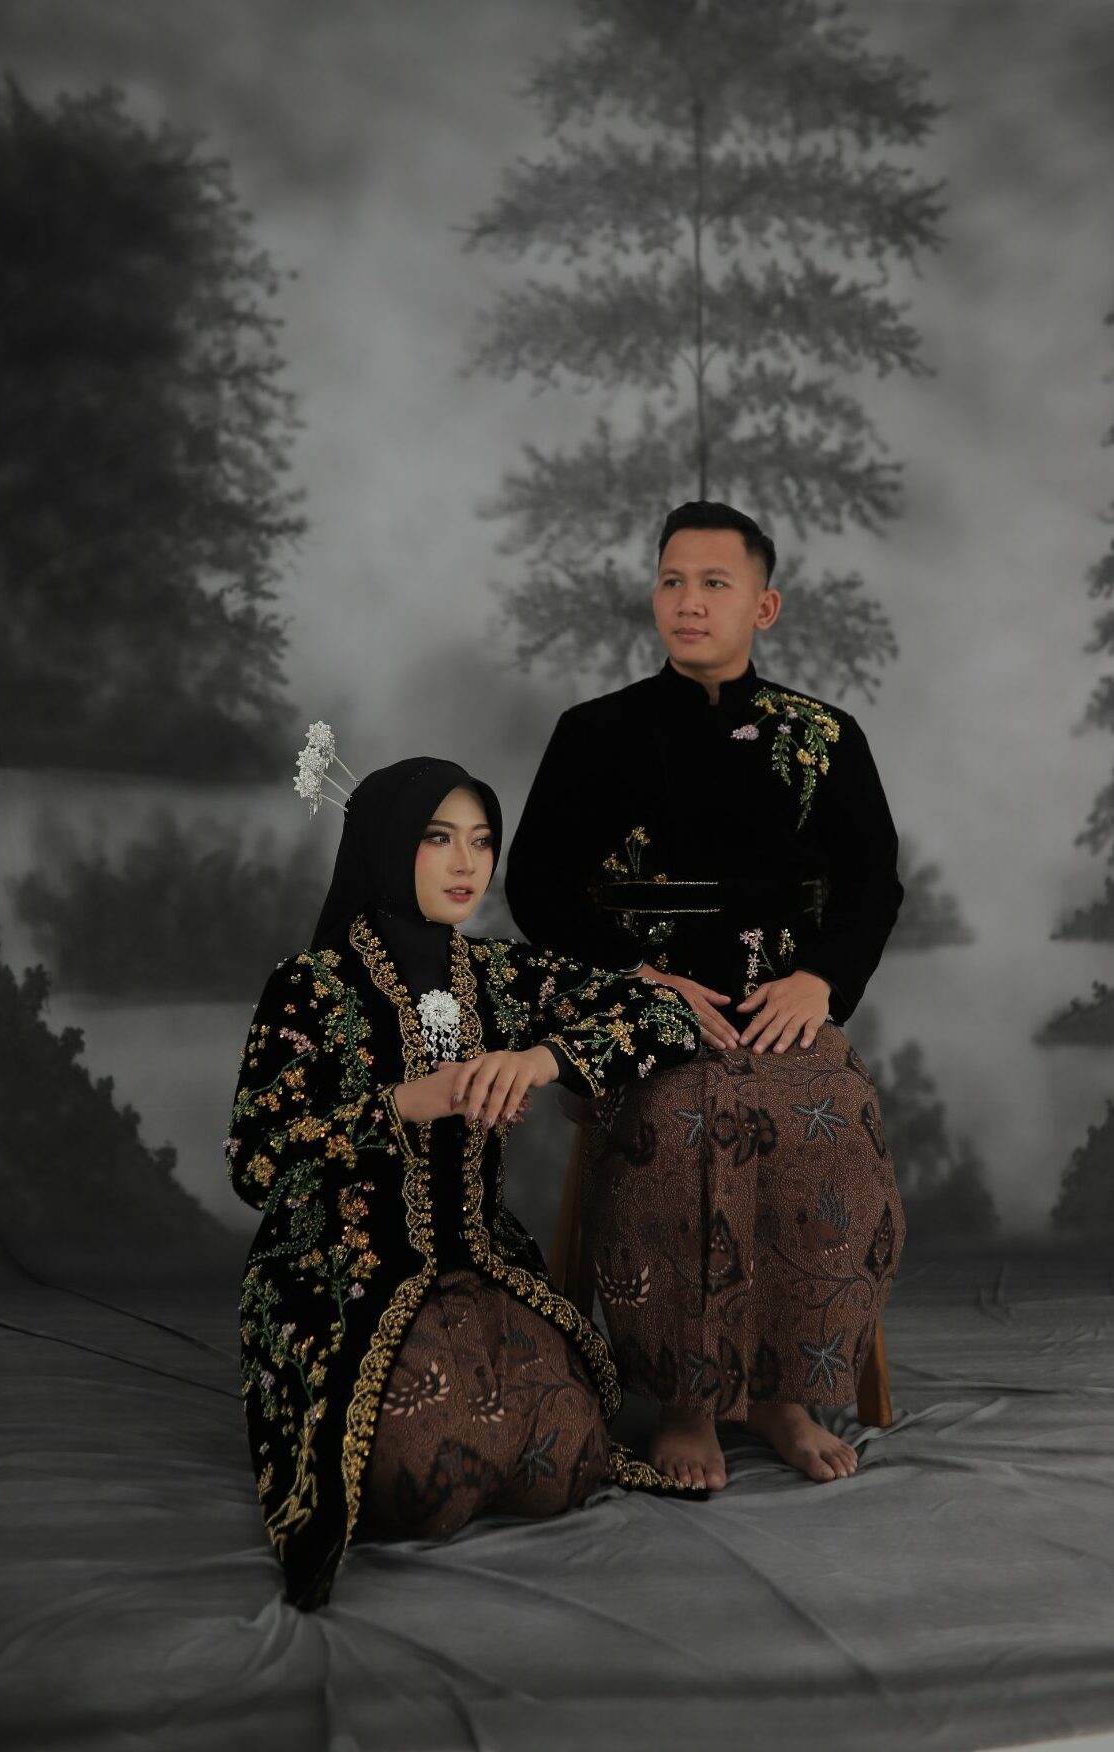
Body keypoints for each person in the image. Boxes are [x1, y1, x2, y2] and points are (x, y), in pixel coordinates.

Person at [227, 755, 702, 1610]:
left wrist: (542, 1059)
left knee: (564, 1460)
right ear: (383, 847)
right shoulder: (309, 987)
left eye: (482, 841)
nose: (465, 864)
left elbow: (660, 1013)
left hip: (481, 1264)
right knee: (424, 1479)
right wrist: (402, 1104)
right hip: (340, 1277)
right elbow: (255, 1161)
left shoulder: (500, 975)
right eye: (437, 838)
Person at [506, 502, 907, 1492]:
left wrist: (818, 980)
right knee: (683, 1119)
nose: (688, 602)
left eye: (714, 584)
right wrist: (640, 978)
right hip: (642, 1008)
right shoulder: (593, 734)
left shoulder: (822, 737)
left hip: (782, 1006)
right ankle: (688, 1401)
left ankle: (783, 1393)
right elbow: (539, 886)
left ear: (763, 605)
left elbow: (872, 883)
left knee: (828, 1117)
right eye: (671, 581)